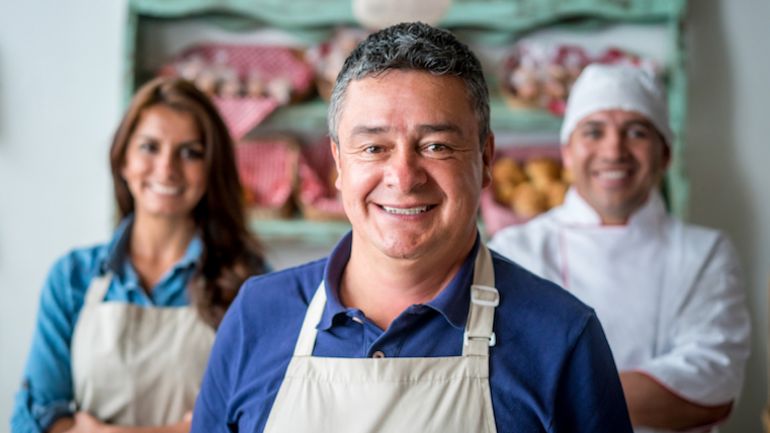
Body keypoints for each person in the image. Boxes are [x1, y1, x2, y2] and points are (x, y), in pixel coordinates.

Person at [191, 22, 632, 433]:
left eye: (436, 145)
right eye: (374, 147)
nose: (403, 177)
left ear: (485, 159)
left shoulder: (561, 337)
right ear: (339, 163)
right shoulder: (257, 315)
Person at [490, 63, 751, 433]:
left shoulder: (705, 253)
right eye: (593, 131)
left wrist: (555, 387)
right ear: (567, 152)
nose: (613, 150)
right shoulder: (514, 250)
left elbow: (712, 387)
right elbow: (498, 381)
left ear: (665, 154)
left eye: (636, 131)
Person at [11, 77, 269, 433]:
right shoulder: (73, 278)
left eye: (190, 152)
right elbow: (32, 420)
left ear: (212, 170)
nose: (166, 169)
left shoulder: (250, 284)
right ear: (123, 161)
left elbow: (255, 421)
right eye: (150, 147)